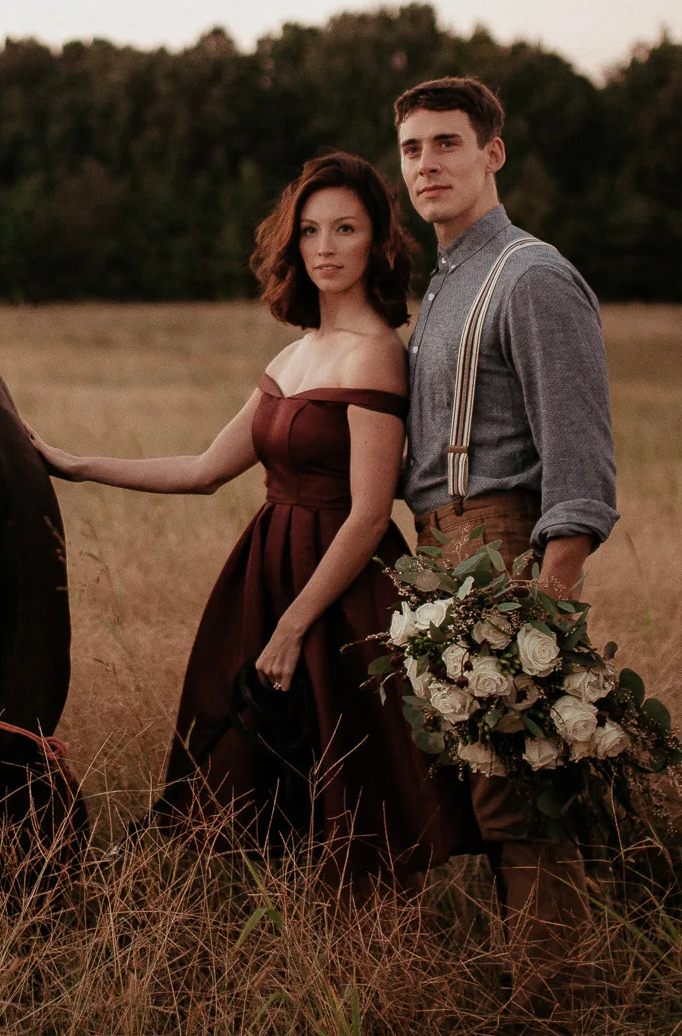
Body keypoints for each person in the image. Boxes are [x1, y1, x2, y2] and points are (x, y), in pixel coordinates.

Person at [30, 151, 474, 885]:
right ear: (292, 243)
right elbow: (206, 468)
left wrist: (295, 623)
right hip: (268, 569)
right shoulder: (297, 353)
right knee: (245, 755)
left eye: (345, 229)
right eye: (310, 231)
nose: (325, 247)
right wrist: (76, 464)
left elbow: (367, 516)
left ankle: (367, 949)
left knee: (349, 776)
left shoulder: (376, 356)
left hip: (336, 592)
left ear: (376, 241)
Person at [392, 74, 618, 948]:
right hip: (440, 550)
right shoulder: (447, 281)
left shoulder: (532, 275)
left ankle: (555, 1023)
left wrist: (549, 602)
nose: (426, 163)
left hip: (505, 543)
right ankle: (527, 999)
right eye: (412, 148)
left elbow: (580, 459)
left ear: (493, 152)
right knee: (485, 797)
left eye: (446, 143)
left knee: (523, 800)